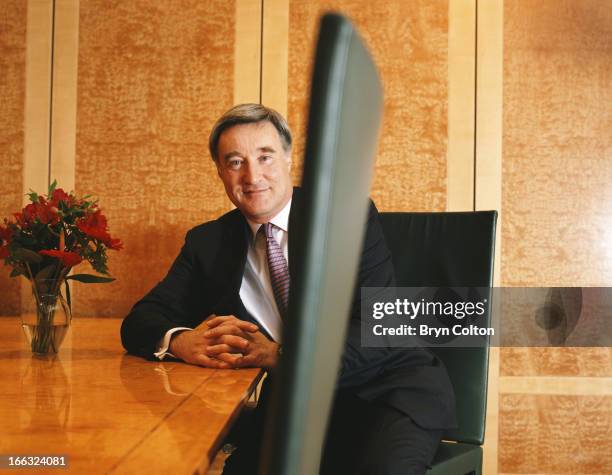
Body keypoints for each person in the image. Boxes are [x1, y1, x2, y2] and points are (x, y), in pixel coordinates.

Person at [121, 103, 456, 475]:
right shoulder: (208, 242)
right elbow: (141, 319)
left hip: (387, 391)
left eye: (264, 157)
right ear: (219, 171)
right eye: (235, 162)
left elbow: (379, 327)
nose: (252, 176)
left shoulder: (345, 217)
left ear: (288, 157)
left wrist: (282, 355)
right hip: (297, 407)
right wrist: (183, 341)